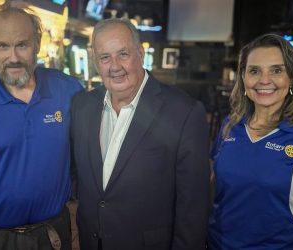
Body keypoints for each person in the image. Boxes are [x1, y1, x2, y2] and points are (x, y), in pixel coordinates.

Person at [0, 4, 83, 250]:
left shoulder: (68, 90)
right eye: (3, 46)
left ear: (37, 43)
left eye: (22, 45)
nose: (14, 58)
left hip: (53, 235)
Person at [70, 18, 210, 250]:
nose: (114, 66)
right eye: (105, 57)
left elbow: (193, 209)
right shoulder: (82, 106)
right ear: (96, 62)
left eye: (123, 54)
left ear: (140, 53)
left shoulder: (183, 112)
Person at [208, 33, 293, 250]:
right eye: (254, 71)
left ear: (292, 77)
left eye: (276, 70)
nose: (264, 80)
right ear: (243, 78)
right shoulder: (229, 126)